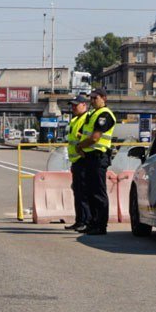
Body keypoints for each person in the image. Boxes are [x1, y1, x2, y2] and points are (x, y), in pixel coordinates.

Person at [73, 87, 117, 236]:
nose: (92, 101)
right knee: (90, 192)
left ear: (103, 98)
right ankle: (92, 223)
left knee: (98, 193)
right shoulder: (93, 114)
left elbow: (95, 137)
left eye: (95, 98)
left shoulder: (105, 114)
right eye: (91, 98)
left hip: (99, 157)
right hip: (90, 157)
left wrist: (80, 146)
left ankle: (100, 225)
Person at [64, 93, 91, 231]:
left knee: (83, 193)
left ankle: (86, 221)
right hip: (76, 161)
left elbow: (87, 138)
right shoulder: (75, 120)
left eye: (76, 105)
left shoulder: (87, 118)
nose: (73, 107)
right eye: (72, 105)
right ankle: (79, 220)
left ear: (84, 105)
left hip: (83, 160)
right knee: (78, 192)